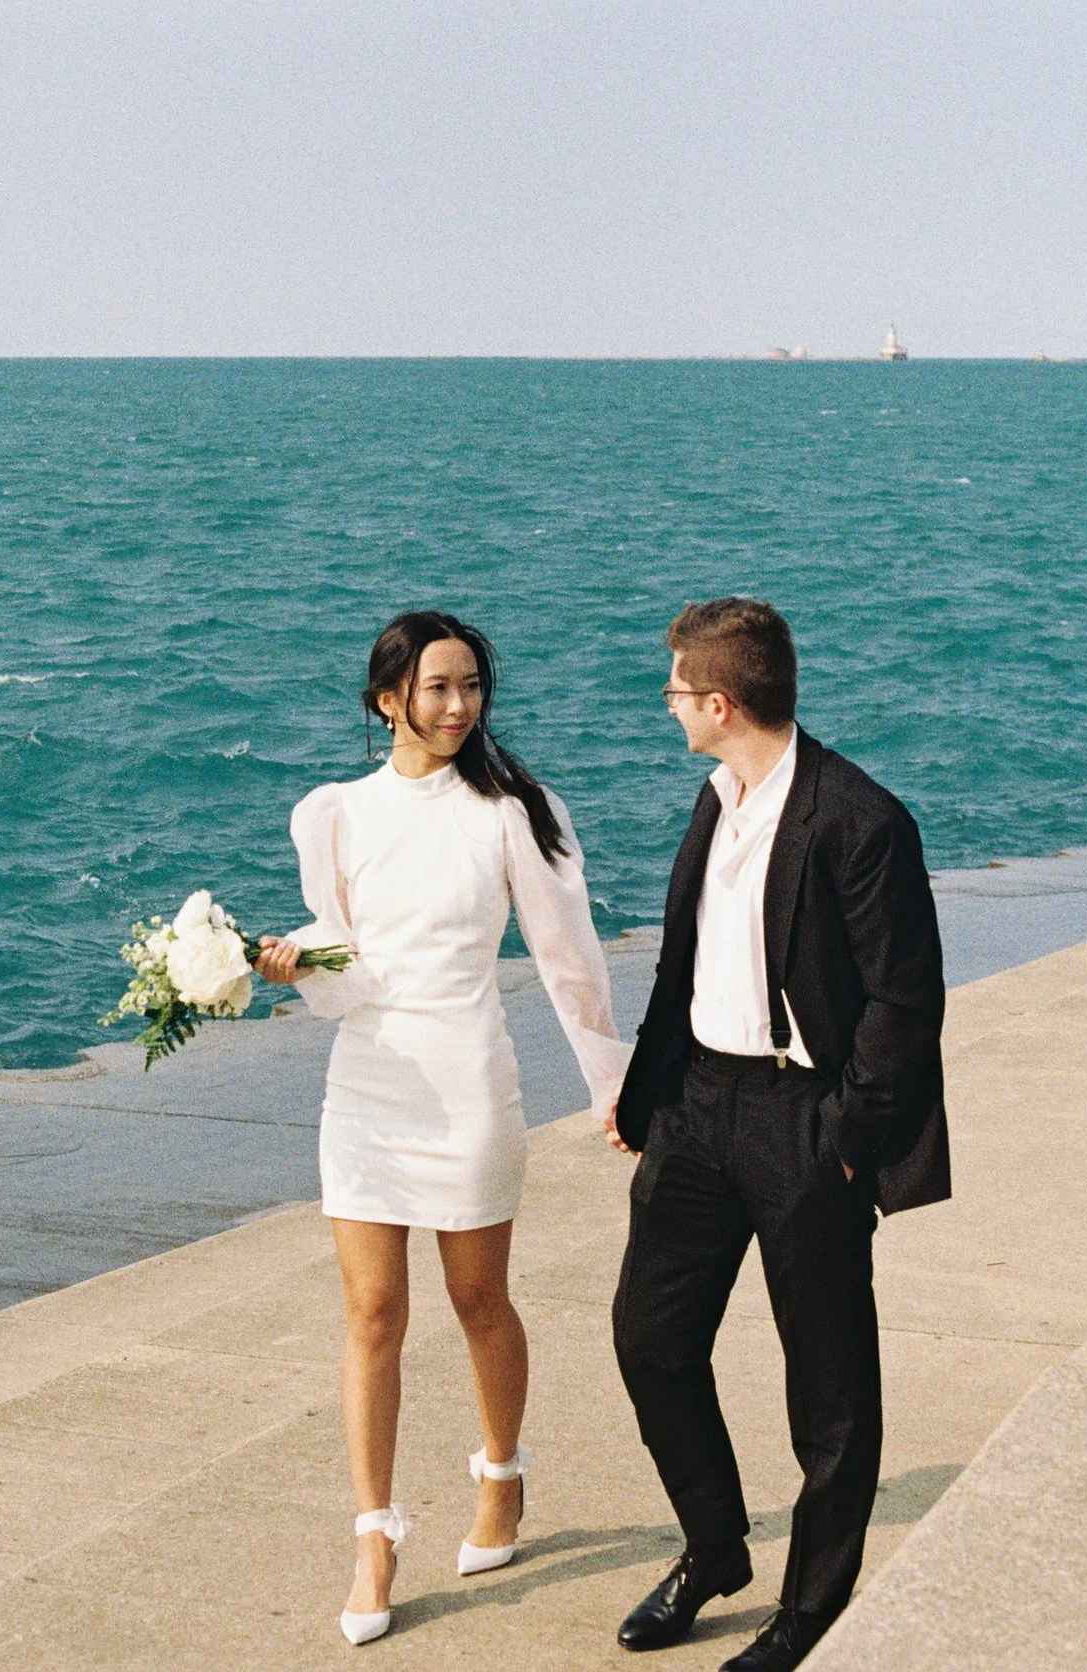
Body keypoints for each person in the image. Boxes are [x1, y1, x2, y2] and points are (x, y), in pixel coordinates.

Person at [257, 610, 633, 1647]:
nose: (459, 705)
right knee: (372, 1313)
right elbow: (348, 959)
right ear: (388, 700)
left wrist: (613, 1083)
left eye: (471, 685)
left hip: (468, 1085)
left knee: (477, 1300)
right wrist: (295, 966)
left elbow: (568, 958)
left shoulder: (510, 813)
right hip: (368, 1088)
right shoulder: (332, 814)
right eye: (437, 687)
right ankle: (374, 1537)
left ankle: (501, 1475)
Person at [605, 597, 950, 1672]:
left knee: (829, 1391)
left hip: (803, 1120)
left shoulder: (859, 819)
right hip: (698, 1107)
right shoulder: (718, 797)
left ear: (720, 702)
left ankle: (808, 1609)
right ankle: (715, 1549)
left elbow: (905, 1002)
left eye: (674, 689)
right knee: (650, 1338)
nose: (665, 704)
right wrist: (648, 1097)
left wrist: (842, 1137)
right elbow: (689, 964)